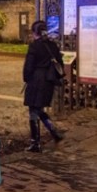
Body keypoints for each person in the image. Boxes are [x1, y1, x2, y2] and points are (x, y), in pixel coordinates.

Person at [22, 20, 65, 152]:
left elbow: (28, 66)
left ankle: (36, 142)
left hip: (36, 80)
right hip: (48, 81)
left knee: (34, 110)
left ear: (35, 32)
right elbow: (60, 64)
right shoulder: (53, 45)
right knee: (38, 109)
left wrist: (26, 78)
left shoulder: (35, 46)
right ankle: (54, 132)